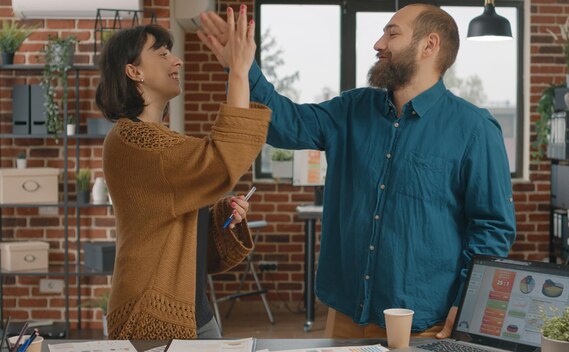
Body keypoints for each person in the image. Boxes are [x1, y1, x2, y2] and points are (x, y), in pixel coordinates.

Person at [198, 3, 515, 339]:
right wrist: (242, 69)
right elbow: (286, 124)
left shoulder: (474, 129)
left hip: (425, 320)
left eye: (392, 34)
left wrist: (467, 300)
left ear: (429, 45)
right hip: (348, 311)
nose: (378, 44)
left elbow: (492, 228)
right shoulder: (351, 108)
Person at [97, 6, 269, 340]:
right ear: (134, 72)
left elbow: (170, 219)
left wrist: (219, 214)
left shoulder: (161, 141)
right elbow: (221, 159)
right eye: (162, 54)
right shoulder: (133, 140)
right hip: (151, 315)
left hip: (193, 311)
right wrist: (238, 70)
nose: (177, 61)